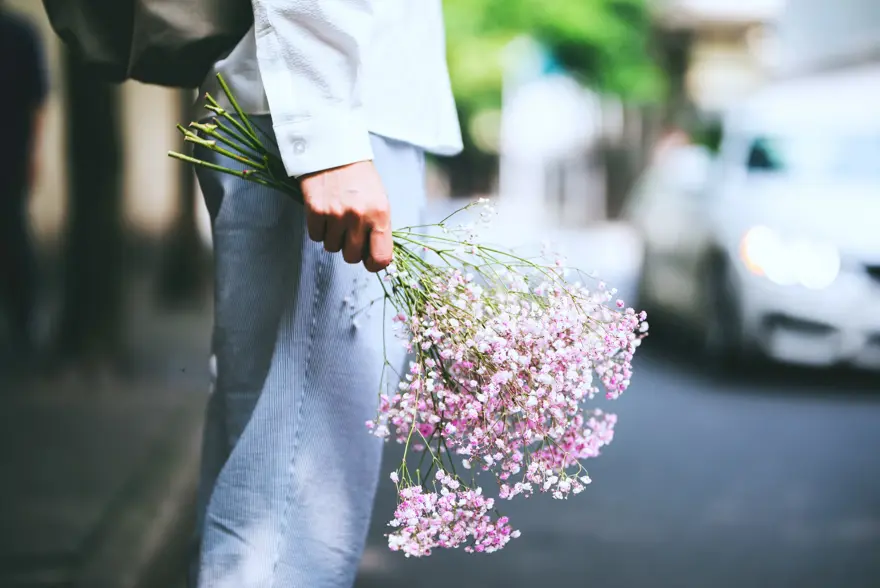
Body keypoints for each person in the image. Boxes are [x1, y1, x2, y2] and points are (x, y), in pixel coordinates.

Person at [189, 2, 462, 587]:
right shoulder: (334, 124)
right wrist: (329, 134)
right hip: (336, 114)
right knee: (290, 521)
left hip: (310, 104)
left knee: (262, 478)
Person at [0, 5, 48, 373]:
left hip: (11, 155)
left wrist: (33, 153)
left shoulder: (19, 33)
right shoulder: (21, 32)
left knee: (14, 238)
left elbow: (37, 101)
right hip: (14, 154)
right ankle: (21, 328)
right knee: (15, 237)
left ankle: (22, 327)